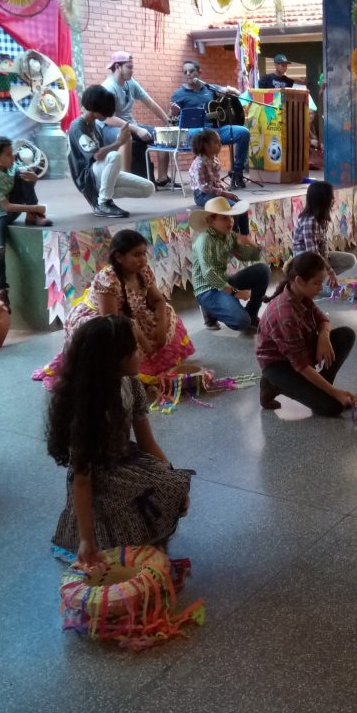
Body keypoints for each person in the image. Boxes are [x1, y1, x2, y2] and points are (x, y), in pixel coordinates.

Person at [48, 315, 193, 566]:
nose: (140, 354)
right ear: (112, 359)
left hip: (126, 459)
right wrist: (86, 539)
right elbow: (82, 480)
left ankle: (136, 536)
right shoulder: (86, 408)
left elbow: (147, 442)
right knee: (112, 537)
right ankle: (110, 539)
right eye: (133, 350)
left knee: (166, 488)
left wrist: (173, 480)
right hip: (97, 478)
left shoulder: (131, 384)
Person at [36, 229, 194, 389]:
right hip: (105, 320)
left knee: (166, 310)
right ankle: (135, 370)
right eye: (136, 255)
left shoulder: (143, 271)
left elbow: (159, 300)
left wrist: (160, 328)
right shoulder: (108, 280)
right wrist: (145, 343)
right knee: (118, 338)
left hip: (130, 315)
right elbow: (113, 322)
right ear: (119, 257)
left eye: (144, 254)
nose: (143, 259)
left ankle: (155, 362)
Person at [256, 252, 356, 416]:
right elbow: (301, 365)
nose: (320, 287)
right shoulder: (286, 315)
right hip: (280, 365)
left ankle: (320, 387)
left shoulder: (300, 293)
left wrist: (324, 336)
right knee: (333, 407)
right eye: (317, 283)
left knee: (346, 335)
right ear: (300, 281)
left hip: (300, 351)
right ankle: (272, 384)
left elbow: (322, 319)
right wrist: (335, 392)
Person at [0, 135, 51, 311]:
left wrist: (34, 179)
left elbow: (25, 181)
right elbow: (6, 207)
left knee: (24, 175)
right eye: (9, 155)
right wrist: (38, 207)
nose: (13, 157)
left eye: (13, 153)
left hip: (12, 206)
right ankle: (0, 289)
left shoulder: (11, 167)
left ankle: (33, 216)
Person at [68, 84, 155, 220]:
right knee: (114, 156)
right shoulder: (77, 126)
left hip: (99, 174)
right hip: (87, 177)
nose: (108, 114)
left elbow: (102, 155)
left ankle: (100, 196)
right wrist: (119, 142)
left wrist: (119, 141)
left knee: (148, 188)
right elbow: (97, 155)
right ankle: (103, 203)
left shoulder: (94, 125)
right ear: (94, 109)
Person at [190, 197, 269, 331]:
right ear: (210, 220)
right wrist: (235, 293)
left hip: (224, 282)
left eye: (231, 217)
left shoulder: (229, 236)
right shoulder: (205, 240)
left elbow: (247, 256)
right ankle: (209, 309)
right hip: (207, 290)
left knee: (263, 270)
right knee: (241, 322)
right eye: (224, 218)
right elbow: (209, 274)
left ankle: (251, 313)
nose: (231, 221)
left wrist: (252, 244)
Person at [171, 60, 250, 189]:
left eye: (191, 71)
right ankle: (205, 177)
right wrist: (174, 112)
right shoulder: (179, 94)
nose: (188, 74)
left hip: (217, 129)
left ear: (199, 72)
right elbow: (172, 116)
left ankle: (237, 172)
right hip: (197, 131)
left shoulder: (210, 88)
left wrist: (230, 91)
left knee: (243, 132)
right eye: (185, 72)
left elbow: (237, 94)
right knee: (198, 133)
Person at [100, 52, 174, 186]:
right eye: (129, 67)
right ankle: (125, 181)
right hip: (109, 127)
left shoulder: (130, 83)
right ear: (118, 67)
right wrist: (137, 129)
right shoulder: (108, 87)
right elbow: (107, 118)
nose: (132, 71)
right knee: (124, 136)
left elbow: (150, 103)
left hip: (130, 125)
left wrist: (167, 120)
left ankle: (162, 178)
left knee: (163, 134)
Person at [291, 180, 357, 287]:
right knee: (339, 290)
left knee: (350, 260)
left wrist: (326, 260)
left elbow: (323, 243)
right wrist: (330, 271)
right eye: (331, 197)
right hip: (306, 261)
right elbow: (312, 254)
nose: (333, 200)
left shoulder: (320, 217)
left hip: (317, 258)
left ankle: (321, 281)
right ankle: (315, 283)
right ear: (323, 200)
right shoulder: (309, 221)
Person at [188, 128, 241, 221]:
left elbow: (216, 181)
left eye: (220, 142)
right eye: (216, 143)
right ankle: (233, 231)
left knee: (239, 205)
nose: (220, 145)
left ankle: (243, 233)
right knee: (231, 206)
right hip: (202, 195)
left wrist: (225, 192)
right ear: (206, 145)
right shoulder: (200, 163)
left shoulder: (215, 160)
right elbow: (204, 188)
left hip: (212, 191)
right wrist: (224, 194)